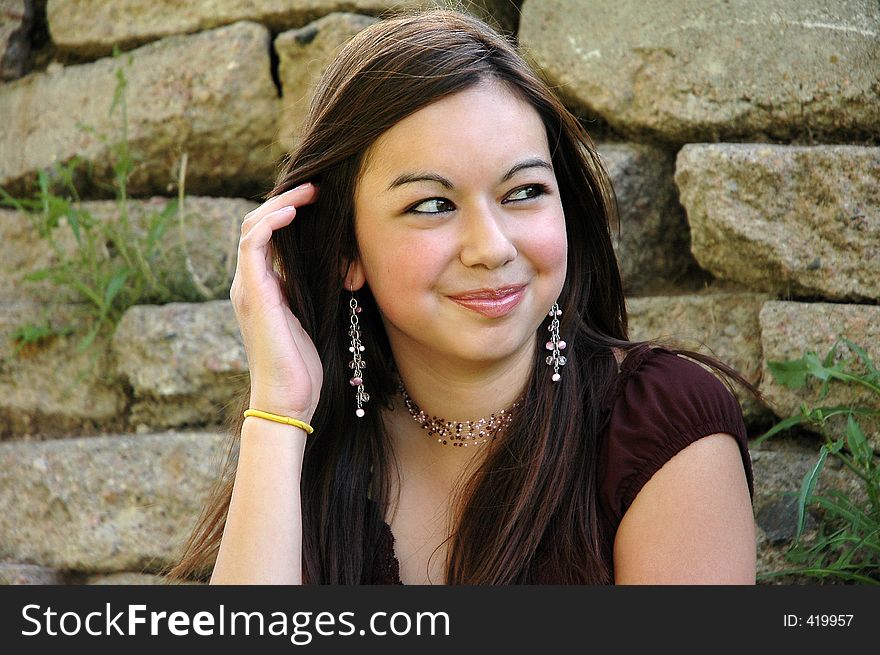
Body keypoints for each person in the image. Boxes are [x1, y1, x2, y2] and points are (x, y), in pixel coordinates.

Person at [163, 9, 757, 585]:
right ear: (348, 250)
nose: (492, 248)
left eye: (523, 192)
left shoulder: (661, 427)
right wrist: (279, 410)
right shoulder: (317, 453)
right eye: (433, 205)